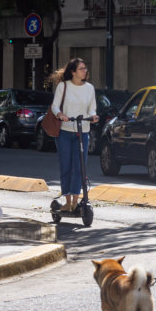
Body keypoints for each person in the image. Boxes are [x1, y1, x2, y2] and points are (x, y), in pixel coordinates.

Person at [51, 58, 99, 212]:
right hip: (64, 132)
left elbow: (92, 108)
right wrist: (60, 114)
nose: (85, 71)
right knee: (66, 166)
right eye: (82, 69)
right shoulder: (63, 86)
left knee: (79, 168)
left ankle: (75, 202)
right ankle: (67, 200)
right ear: (73, 72)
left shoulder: (89, 88)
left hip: (82, 131)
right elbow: (55, 106)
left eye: (85, 68)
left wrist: (93, 116)